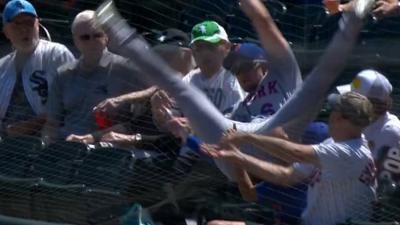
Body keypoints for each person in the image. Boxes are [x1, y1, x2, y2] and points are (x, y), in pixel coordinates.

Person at [94, 0, 372, 177]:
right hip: (243, 148)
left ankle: (356, 16)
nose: (243, 74)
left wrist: (249, 6)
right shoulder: (243, 104)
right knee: (181, 89)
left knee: (320, 80)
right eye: (237, 70)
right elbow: (218, 142)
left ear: (263, 64)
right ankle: (117, 31)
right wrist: (182, 130)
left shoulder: (284, 74)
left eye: (247, 67)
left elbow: (264, 24)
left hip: (277, 130)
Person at [202, 91, 377, 225]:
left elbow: (295, 153)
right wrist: (238, 157)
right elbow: (285, 175)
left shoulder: (350, 151)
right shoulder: (335, 144)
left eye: (333, 111)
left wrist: (247, 137)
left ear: (339, 117)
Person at [43, 10, 148, 143]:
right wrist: (46, 145)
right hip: (67, 146)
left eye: (97, 35)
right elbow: (52, 123)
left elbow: (158, 88)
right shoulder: (63, 74)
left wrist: (123, 99)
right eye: (85, 37)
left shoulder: (124, 68)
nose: (92, 42)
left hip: (106, 149)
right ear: (75, 40)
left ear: (106, 36)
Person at [0, 0, 75, 136]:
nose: (24, 29)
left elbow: (74, 102)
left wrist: (33, 124)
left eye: (29, 22)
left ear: (38, 25)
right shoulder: (2, 67)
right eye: (17, 24)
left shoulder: (56, 54)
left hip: (49, 140)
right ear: (6, 31)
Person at [336, 69, 400, 160]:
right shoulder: (361, 122)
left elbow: (374, 172)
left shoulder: (390, 132)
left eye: (351, 101)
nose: (347, 104)